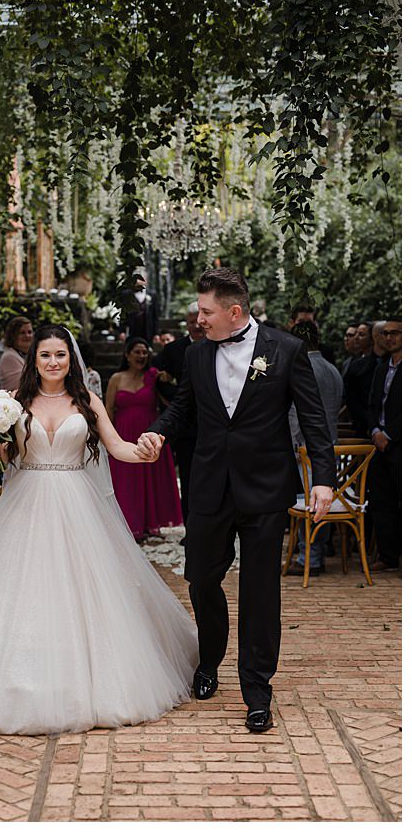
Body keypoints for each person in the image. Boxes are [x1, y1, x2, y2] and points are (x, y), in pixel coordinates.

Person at [0, 324, 197, 734]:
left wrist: (145, 452)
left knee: (82, 589)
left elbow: (117, 447)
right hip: (25, 500)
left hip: (77, 503)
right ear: (34, 360)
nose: (53, 362)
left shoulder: (87, 400)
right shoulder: (13, 403)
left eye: (60, 355)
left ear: (70, 359)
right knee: (16, 590)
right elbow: (4, 457)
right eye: (45, 355)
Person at [140, 267, 335, 733]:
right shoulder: (195, 354)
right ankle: (210, 661)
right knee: (201, 578)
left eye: (205, 311)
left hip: (265, 487)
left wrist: (322, 479)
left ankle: (257, 689)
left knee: (260, 589)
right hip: (209, 484)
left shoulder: (285, 350)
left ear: (233, 311)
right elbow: (183, 407)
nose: (198, 319)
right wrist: (157, 432)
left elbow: (312, 417)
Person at [106, 337, 183, 541]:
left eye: (145, 352)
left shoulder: (153, 376)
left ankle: (151, 523)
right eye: (137, 352)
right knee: (127, 480)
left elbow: (170, 401)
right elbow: (108, 411)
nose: (142, 356)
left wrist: (167, 380)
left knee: (151, 478)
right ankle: (130, 524)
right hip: (123, 435)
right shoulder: (116, 378)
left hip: (149, 434)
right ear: (127, 355)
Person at [285, 321, 342, 576]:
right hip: (331, 446)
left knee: (310, 504)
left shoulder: (303, 367)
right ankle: (314, 554)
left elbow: (297, 412)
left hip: (307, 449)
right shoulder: (332, 370)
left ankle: (310, 558)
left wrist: (294, 443)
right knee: (321, 502)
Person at [153, 302, 205, 524]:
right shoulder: (174, 350)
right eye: (191, 322)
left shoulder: (219, 344)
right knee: (188, 479)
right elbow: (156, 377)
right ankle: (191, 528)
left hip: (213, 427)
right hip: (185, 428)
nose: (196, 326)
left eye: (198, 321)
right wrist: (177, 394)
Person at [367, 318, 401, 570]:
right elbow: (372, 404)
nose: (390, 338)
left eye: (396, 333)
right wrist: (375, 430)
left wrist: (390, 434)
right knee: (381, 501)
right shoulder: (380, 368)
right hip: (379, 444)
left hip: (399, 443)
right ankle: (387, 557)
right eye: (387, 333)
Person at [342, 321, 379, 438]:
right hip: (360, 422)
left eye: (361, 335)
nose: (356, 338)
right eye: (356, 334)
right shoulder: (353, 362)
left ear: (372, 338)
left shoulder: (380, 363)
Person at [119, 270, 159, 343]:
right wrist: (122, 331)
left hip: (147, 330)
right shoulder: (126, 294)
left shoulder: (152, 295)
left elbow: (155, 316)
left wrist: (156, 333)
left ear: (146, 281)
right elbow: (123, 314)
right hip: (132, 330)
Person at [0, 317, 34, 392]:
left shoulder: (26, 355)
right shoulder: (9, 357)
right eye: (22, 333)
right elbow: (27, 385)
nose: (27, 336)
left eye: (29, 332)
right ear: (13, 336)